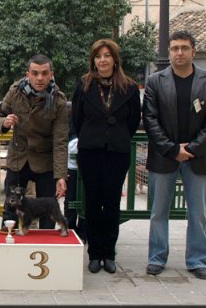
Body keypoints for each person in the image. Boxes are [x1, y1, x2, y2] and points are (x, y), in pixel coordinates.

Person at [143, 31, 206, 280]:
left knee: (198, 212)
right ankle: (157, 257)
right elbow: (150, 119)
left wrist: (191, 149)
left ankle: (198, 259)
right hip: (164, 156)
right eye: (175, 48)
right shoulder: (155, 81)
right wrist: (172, 148)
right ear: (169, 51)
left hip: (199, 157)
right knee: (158, 211)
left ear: (193, 50)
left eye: (184, 48)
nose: (179, 52)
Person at [71, 39, 141, 274]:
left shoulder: (129, 88)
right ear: (93, 60)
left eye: (107, 55)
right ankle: (94, 254)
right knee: (92, 203)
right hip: (90, 152)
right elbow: (77, 120)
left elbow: (132, 122)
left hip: (117, 154)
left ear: (115, 59)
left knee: (111, 204)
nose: (102, 60)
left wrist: (114, 136)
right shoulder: (83, 85)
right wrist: (94, 136)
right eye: (98, 56)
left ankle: (109, 253)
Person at [0, 54, 68, 230]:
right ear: (28, 74)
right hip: (19, 157)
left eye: (44, 73)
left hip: (45, 160)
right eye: (35, 73)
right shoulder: (15, 91)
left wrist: (61, 175)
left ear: (51, 75)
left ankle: (47, 249)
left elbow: (61, 140)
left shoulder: (59, 100)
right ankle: (7, 243)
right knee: (11, 208)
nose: (39, 78)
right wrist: (4, 122)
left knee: (48, 210)